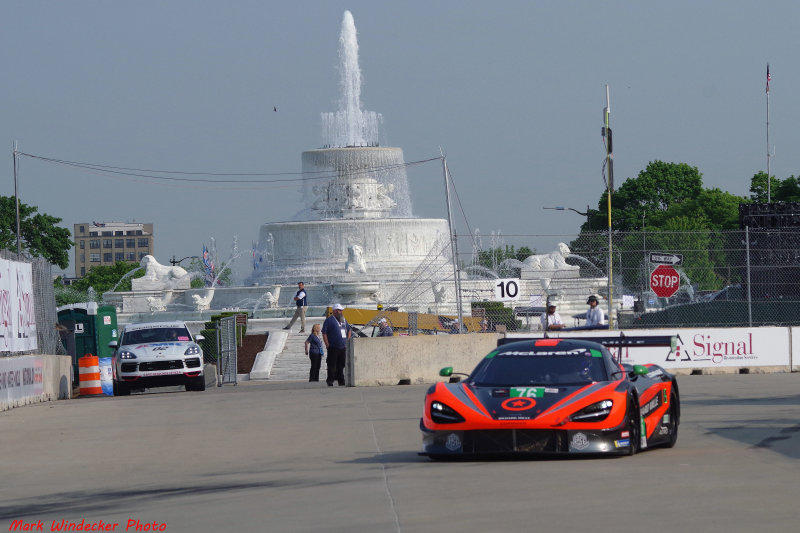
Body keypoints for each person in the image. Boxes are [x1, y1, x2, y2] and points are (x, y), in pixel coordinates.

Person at [322, 303, 351, 386]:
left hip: (343, 346)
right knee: (332, 364)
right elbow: (324, 333)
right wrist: (327, 344)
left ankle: (341, 380)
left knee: (341, 364)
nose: (341, 312)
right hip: (333, 346)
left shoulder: (344, 320)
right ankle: (330, 380)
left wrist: (348, 340)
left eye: (341, 310)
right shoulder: (329, 320)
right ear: (334, 311)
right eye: (339, 310)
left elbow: (349, 330)